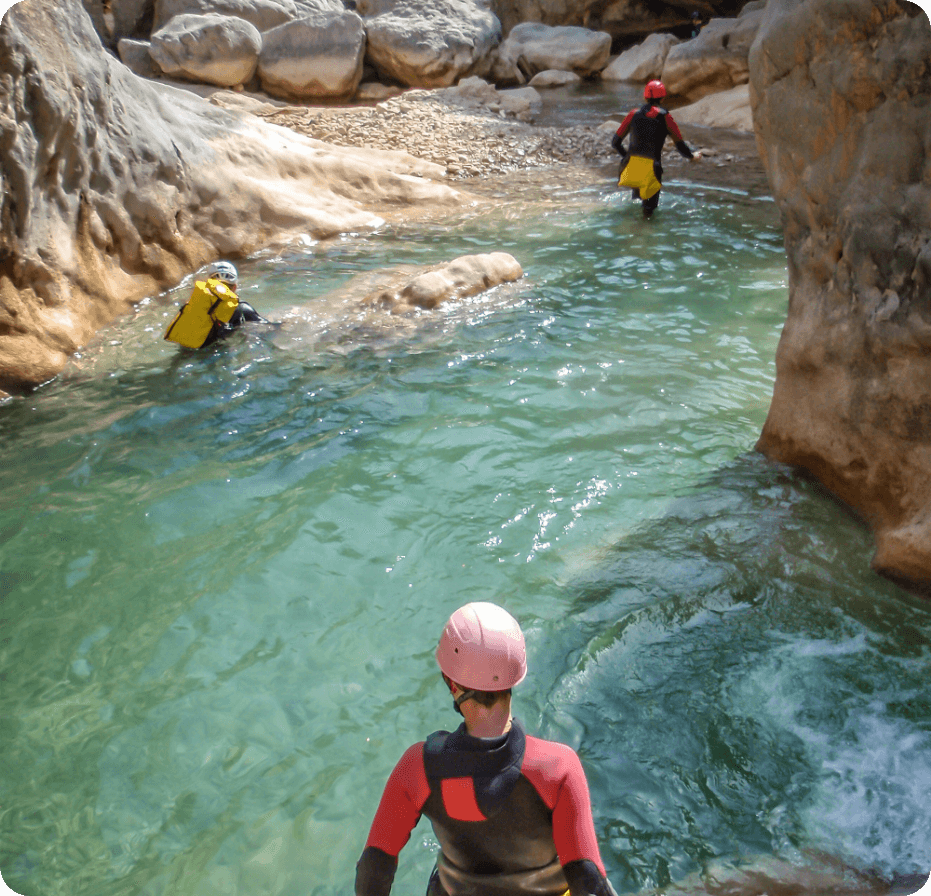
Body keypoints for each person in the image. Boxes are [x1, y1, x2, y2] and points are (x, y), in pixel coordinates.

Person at [355, 601, 618, 896]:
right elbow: (587, 876)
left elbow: (373, 868)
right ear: (516, 675)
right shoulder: (556, 767)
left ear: (450, 682)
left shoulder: (418, 767)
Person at [611, 79, 701, 218]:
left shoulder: (633, 114)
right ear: (663, 97)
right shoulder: (665, 117)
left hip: (631, 167)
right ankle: (646, 235)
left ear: (645, 97)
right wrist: (692, 156)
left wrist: (626, 157)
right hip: (651, 169)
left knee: (635, 202)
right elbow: (680, 144)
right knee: (648, 212)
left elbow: (615, 142)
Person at [163, 260, 267, 349]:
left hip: (187, 348)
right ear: (234, 287)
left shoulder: (196, 300)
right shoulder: (241, 309)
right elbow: (267, 328)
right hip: (216, 353)